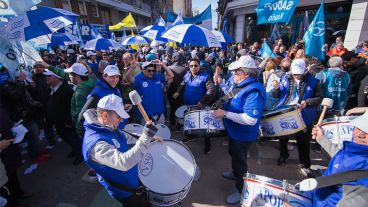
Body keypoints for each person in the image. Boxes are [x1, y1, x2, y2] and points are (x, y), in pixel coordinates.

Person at [82, 94, 160, 207]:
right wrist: (146, 137)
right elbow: (124, 162)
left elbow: (122, 135)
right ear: (104, 115)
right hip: (124, 190)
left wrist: (149, 138)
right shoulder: (96, 145)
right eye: (119, 116)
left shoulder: (106, 125)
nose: (122, 119)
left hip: (131, 178)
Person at [213, 55, 266, 205]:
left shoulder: (253, 91)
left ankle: (241, 188)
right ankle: (236, 173)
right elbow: (233, 96)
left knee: (240, 162)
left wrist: (224, 113)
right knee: (234, 155)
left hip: (242, 135)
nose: (233, 74)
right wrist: (222, 84)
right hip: (234, 131)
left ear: (245, 73)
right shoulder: (244, 84)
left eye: (235, 72)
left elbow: (251, 119)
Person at [271, 59, 323, 177]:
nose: (297, 76)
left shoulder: (314, 81)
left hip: (304, 114)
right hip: (285, 112)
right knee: (283, 138)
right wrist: (276, 89)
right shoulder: (285, 78)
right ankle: (283, 155)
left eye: (299, 74)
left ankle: (305, 164)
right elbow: (276, 96)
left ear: (305, 70)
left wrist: (307, 102)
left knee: (303, 141)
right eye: (295, 73)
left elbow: (319, 98)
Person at [310, 110, 368, 207]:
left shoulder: (364, 183)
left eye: (367, 132)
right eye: (358, 127)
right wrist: (322, 138)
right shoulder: (358, 152)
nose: (359, 134)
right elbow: (343, 157)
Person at [173, 58, 215, 153]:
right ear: (189, 66)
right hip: (188, 104)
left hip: (201, 106)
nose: (193, 67)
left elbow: (211, 90)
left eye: (196, 65)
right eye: (191, 65)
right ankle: (191, 136)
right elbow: (182, 84)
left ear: (199, 66)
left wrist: (202, 101)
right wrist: (177, 92)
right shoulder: (187, 75)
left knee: (204, 126)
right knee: (190, 122)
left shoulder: (206, 77)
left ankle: (207, 144)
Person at [127, 59, 174, 124]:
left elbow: (171, 75)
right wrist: (132, 67)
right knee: (148, 134)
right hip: (145, 116)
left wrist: (163, 65)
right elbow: (128, 77)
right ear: (143, 70)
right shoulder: (138, 79)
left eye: (153, 70)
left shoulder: (157, 77)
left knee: (161, 133)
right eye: (149, 70)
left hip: (159, 113)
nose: (151, 72)